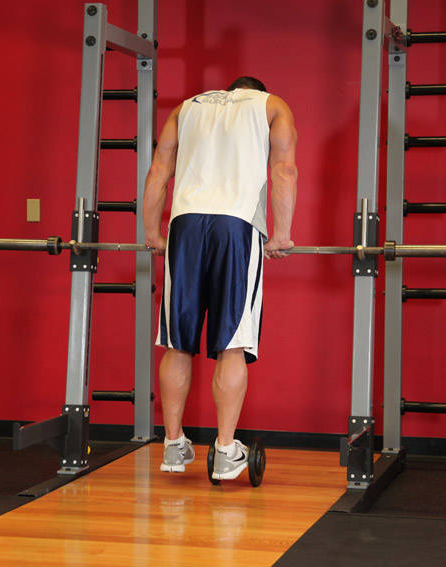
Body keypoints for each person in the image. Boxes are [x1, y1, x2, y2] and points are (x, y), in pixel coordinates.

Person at [142, 76, 297, 481]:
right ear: (256, 90)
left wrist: (152, 233)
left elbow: (159, 169)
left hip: (185, 224)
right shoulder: (271, 105)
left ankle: (173, 445)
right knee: (232, 341)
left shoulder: (186, 107)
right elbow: (284, 168)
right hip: (237, 224)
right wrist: (280, 234)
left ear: (228, 90)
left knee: (177, 342)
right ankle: (226, 450)